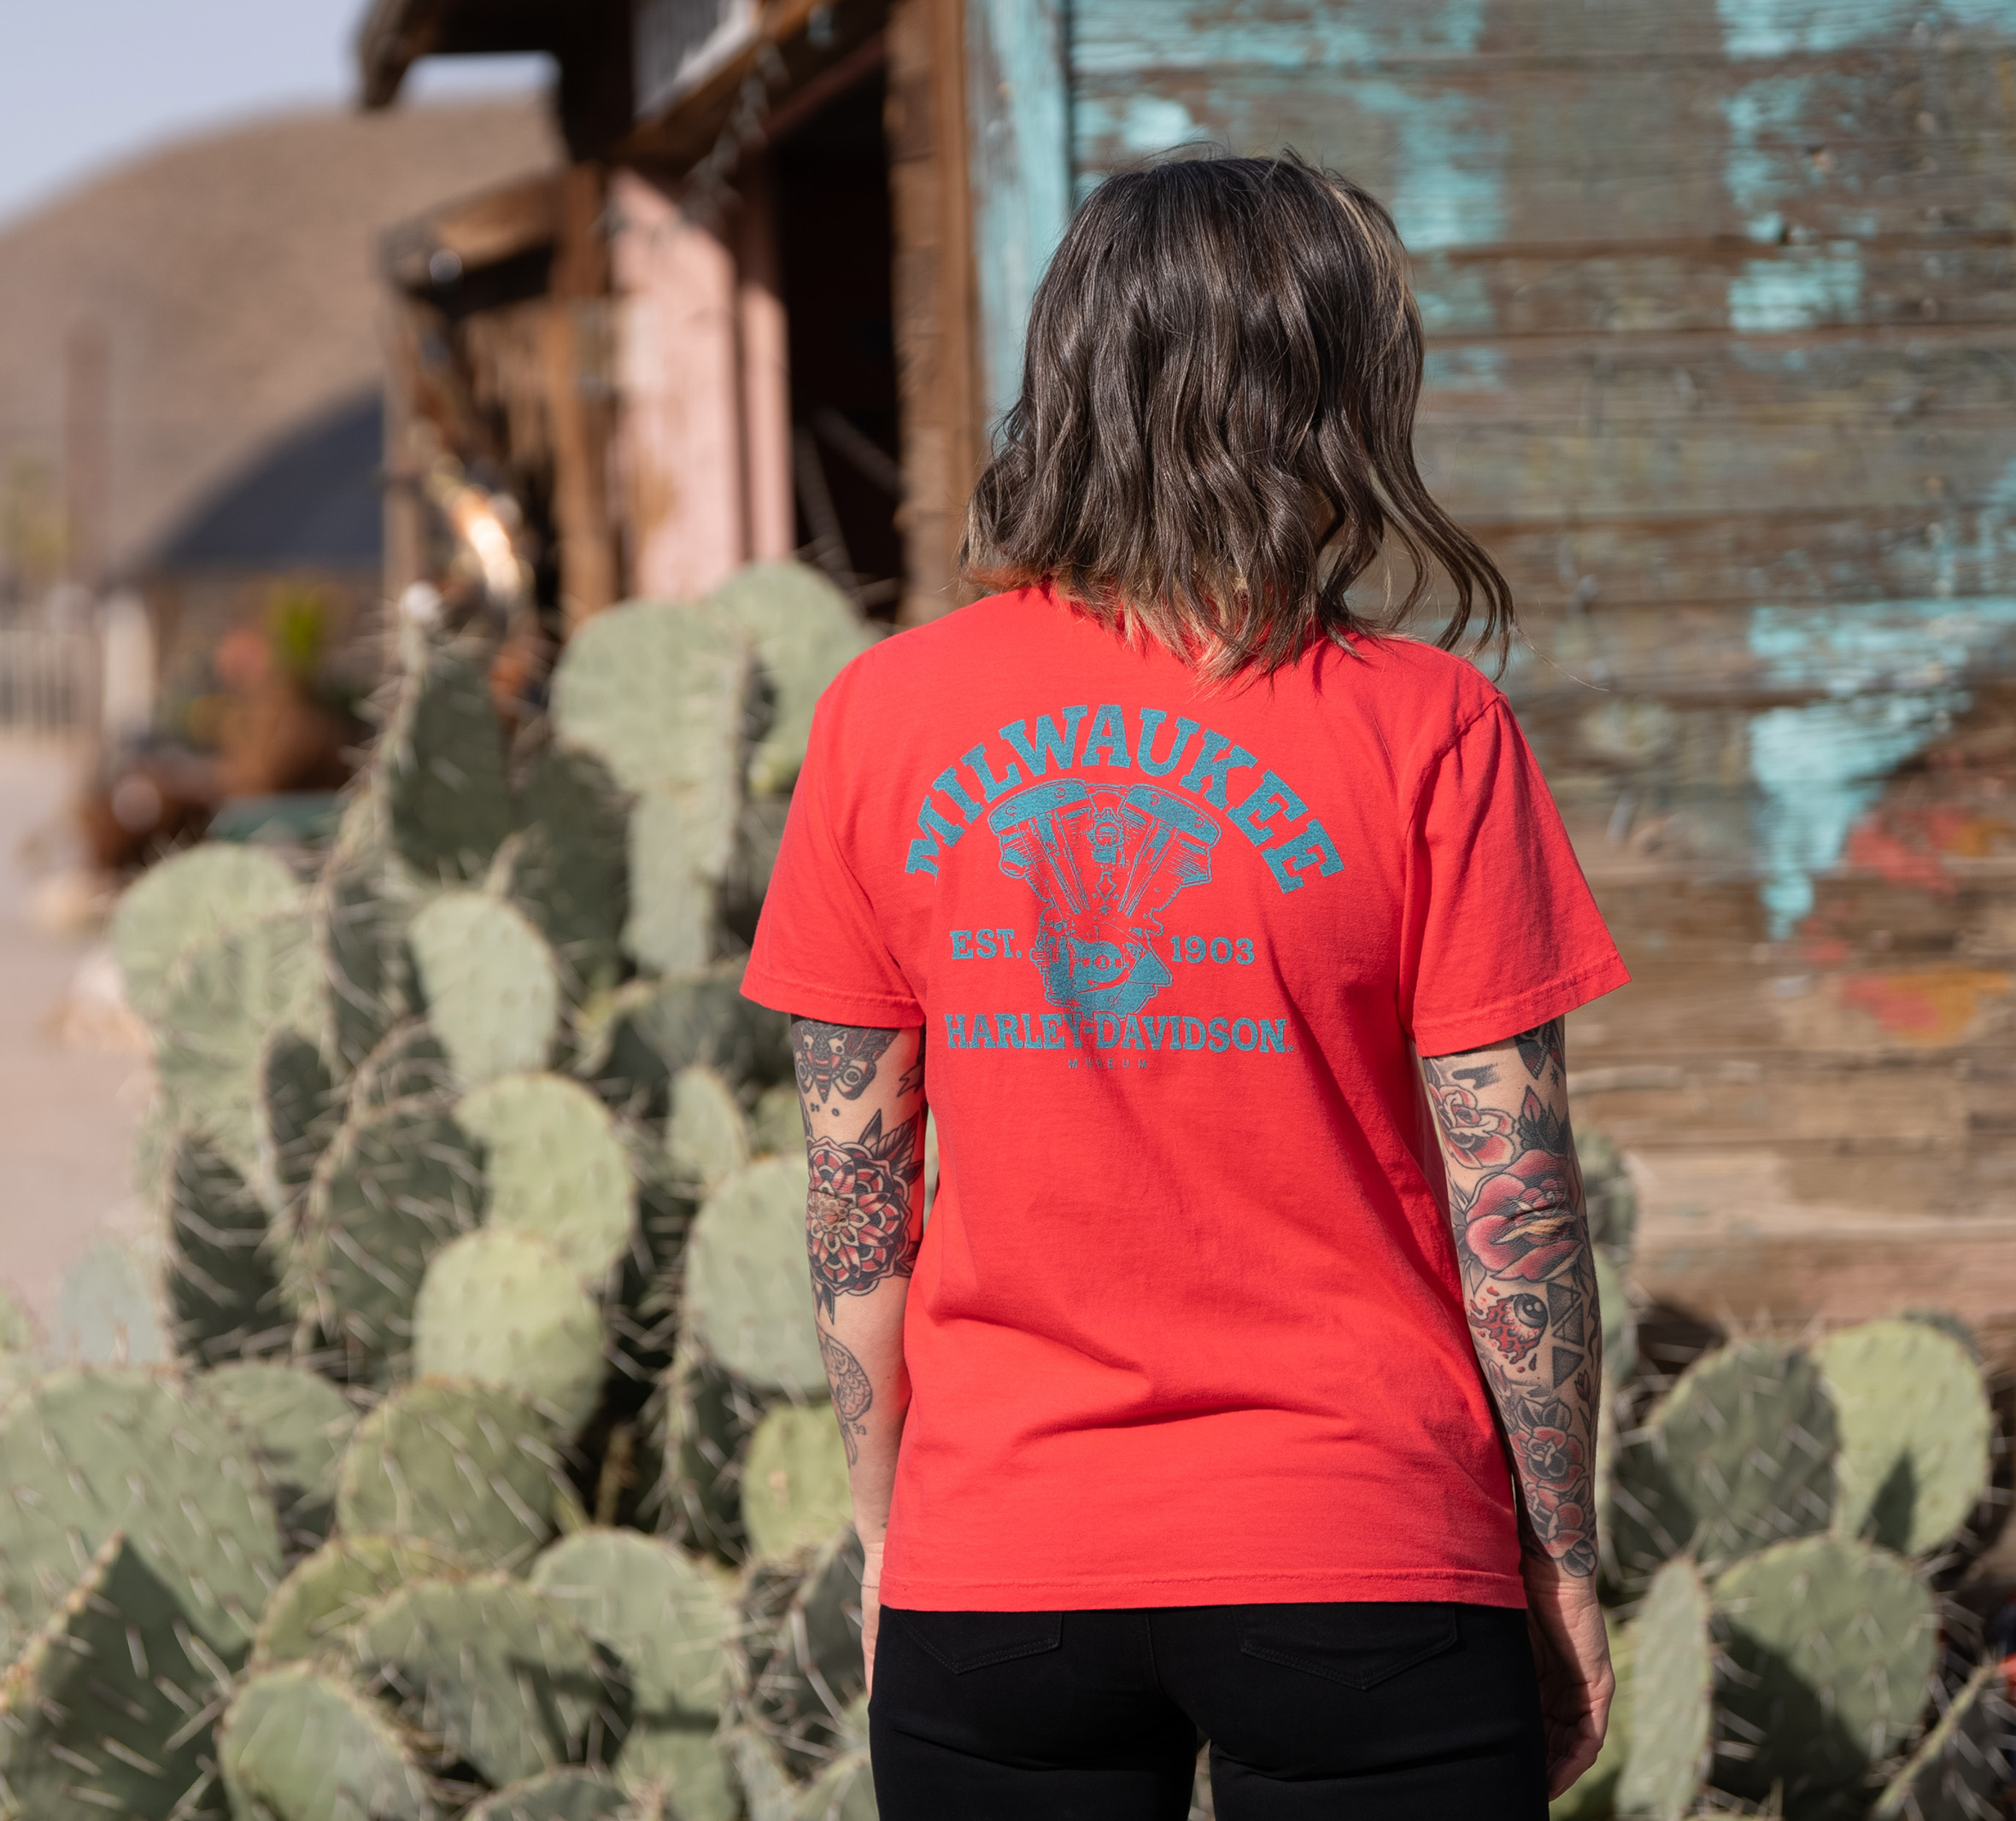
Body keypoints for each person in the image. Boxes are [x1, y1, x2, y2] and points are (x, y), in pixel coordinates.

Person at [741, 151, 1626, 1820]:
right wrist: (1560, 1556)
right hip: (1360, 1550)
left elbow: (856, 1204)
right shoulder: (1428, 725)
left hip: (1000, 1560)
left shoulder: (885, 717)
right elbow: (1516, 1194)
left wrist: (887, 1533)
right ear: (1335, 394)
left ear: (1070, 378)